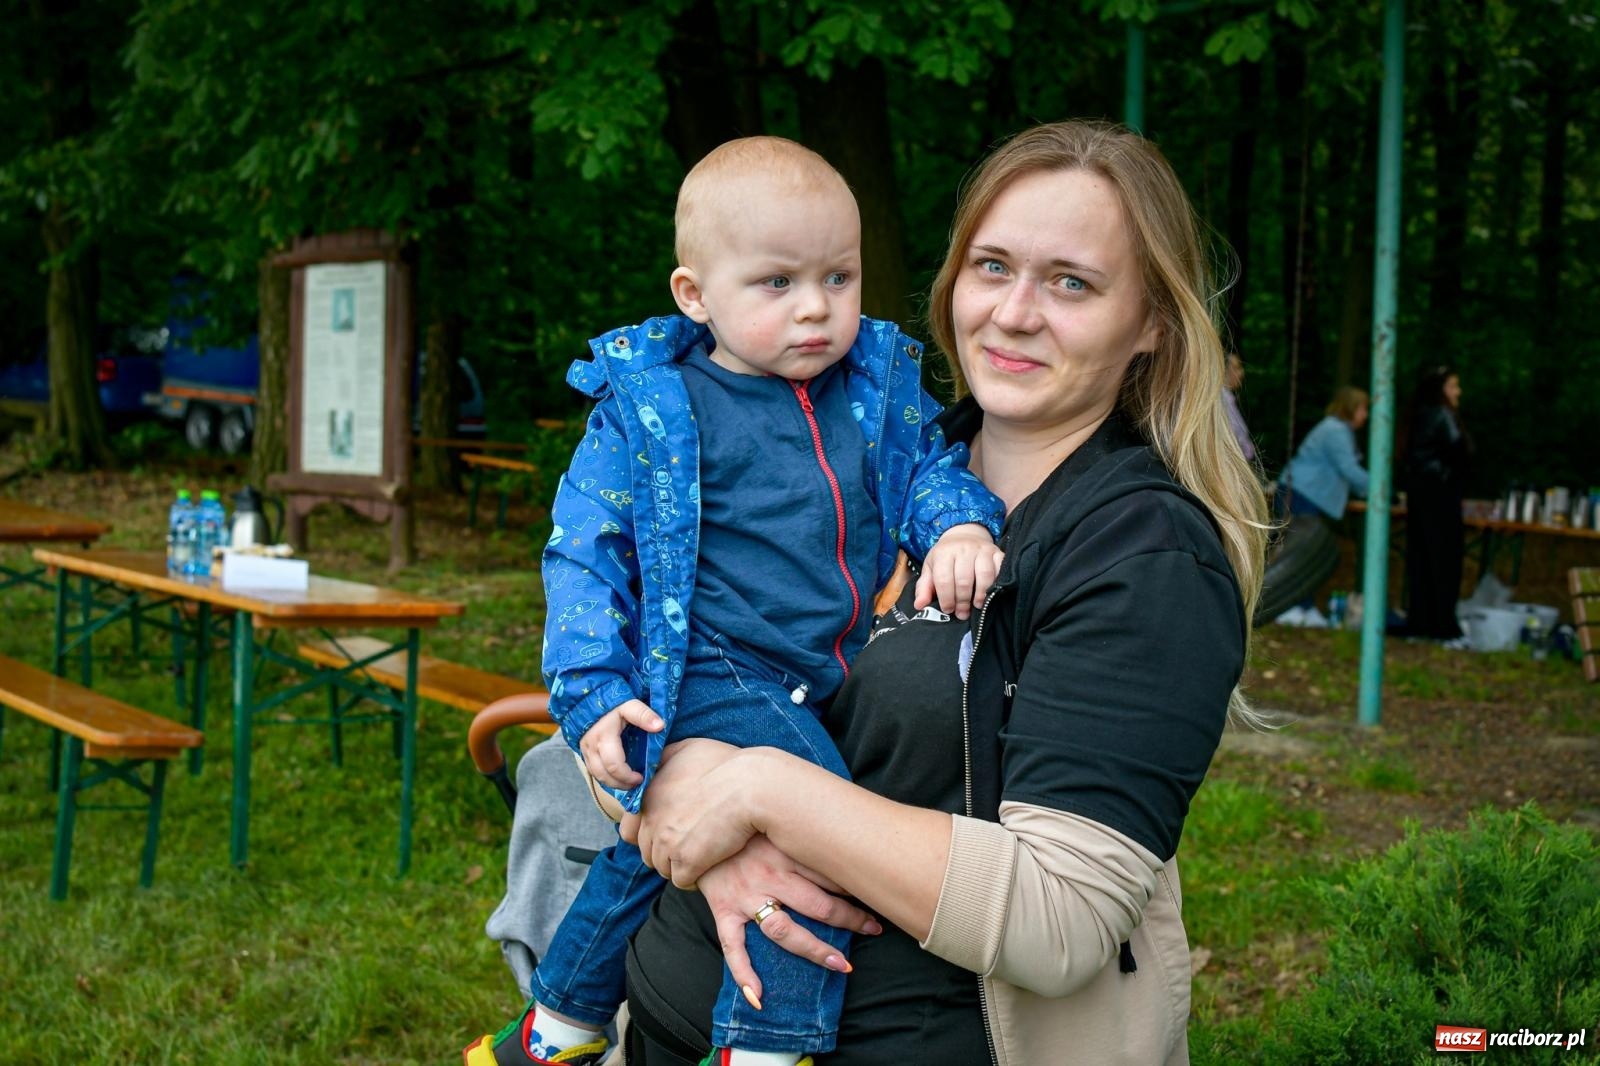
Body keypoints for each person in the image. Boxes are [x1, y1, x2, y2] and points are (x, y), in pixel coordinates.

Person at [615, 120, 1268, 1065]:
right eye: (992, 266)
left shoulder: (1143, 549)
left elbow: (1062, 919)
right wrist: (677, 802)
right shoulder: (871, 454)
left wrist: (757, 793)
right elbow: (637, 668)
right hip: (663, 1017)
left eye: (1072, 283)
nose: (1013, 312)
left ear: (1153, 322)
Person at [464, 137, 1006, 1066]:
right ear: (693, 294)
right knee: (814, 816)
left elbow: (926, 474)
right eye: (776, 283)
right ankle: (766, 1043)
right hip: (706, 665)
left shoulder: (871, 390)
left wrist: (957, 527)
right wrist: (591, 690)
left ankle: (554, 1029)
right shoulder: (657, 404)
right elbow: (583, 550)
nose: (815, 308)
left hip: (810, 674)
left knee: (644, 857)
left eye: (839, 277)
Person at [1399, 366, 1470, 643]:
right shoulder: (1441, 414)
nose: (1458, 392)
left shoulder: (1416, 415)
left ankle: (1421, 621)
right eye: (1453, 386)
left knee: (1421, 560)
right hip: (1440, 499)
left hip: (1421, 498)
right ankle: (1443, 625)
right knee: (1443, 561)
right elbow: (1459, 450)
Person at [1277, 387, 1370, 524]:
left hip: (1302, 492)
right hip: (1302, 493)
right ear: (1351, 408)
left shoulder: (1337, 429)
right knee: (1297, 543)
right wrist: (1379, 488)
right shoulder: (1336, 430)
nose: (1366, 415)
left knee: (1301, 542)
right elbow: (1349, 469)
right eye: (1363, 409)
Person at [1221, 352, 1256, 461]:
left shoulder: (1227, 398)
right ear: (1223, 370)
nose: (1241, 373)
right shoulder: (1221, 400)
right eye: (1236, 368)